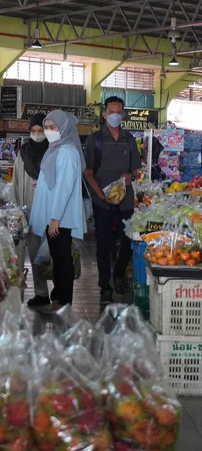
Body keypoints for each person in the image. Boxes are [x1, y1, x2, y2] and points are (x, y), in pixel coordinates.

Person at [83, 96, 141, 305]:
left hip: (125, 200)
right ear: (105, 114)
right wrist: (99, 194)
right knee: (104, 245)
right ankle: (104, 287)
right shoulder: (95, 140)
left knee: (127, 241)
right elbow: (88, 172)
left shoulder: (129, 139)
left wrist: (130, 177)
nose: (115, 115)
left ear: (123, 114)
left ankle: (118, 274)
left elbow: (134, 169)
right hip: (102, 201)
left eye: (118, 111)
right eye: (111, 111)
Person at [29, 110, 86, 314]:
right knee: (58, 256)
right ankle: (59, 298)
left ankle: (64, 301)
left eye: (53, 127)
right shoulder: (55, 149)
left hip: (60, 218)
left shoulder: (68, 152)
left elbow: (64, 187)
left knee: (62, 260)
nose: (48, 131)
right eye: (47, 127)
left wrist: (55, 218)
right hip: (55, 217)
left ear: (63, 128)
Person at [13, 113, 49, 307]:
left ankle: (59, 292)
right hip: (29, 210)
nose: (37, 134)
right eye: (33, 131)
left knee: (54, 253)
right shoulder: (23, 152)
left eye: (41, 131)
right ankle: (41, 293)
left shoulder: (53, 151)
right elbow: (16, 180)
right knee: (35, 253)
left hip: (51, 212)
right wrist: (18, 208)